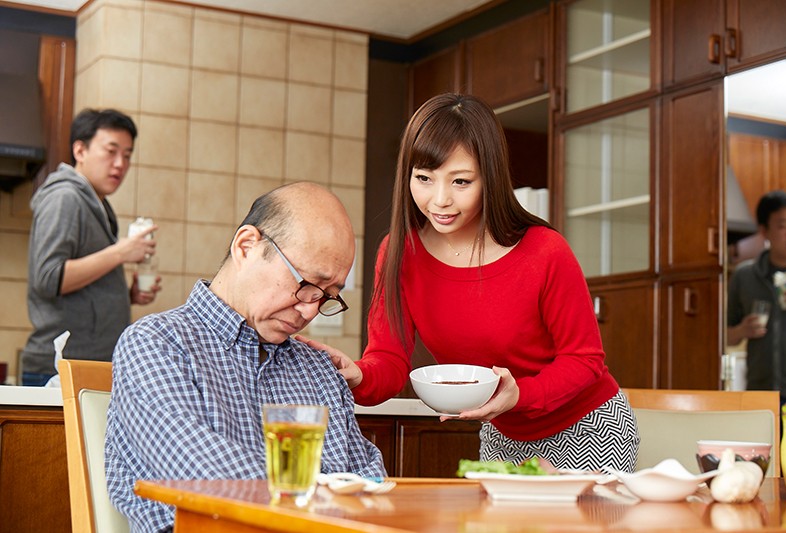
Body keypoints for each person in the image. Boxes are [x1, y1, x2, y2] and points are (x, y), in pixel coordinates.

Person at [298, 93, 639, 472]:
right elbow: (390, 360)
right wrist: (360, 373)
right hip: (501, 431)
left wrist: (519, 395)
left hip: (588, 427)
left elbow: (585, 360)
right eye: (424, 178)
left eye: (460, 181)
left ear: (489, 177)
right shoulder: (398, 253)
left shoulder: (544, 251)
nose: (439, 200)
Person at [105, 182, 386, 532]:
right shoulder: (156, 345)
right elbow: (212, 484)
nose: (310, 310)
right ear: (247, 246)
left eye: (326, 296)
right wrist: (332, 499)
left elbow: (372, 484)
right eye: (306, 284)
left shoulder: (317, 369)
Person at [21, 108, 160, 386]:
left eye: (128, 155)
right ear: (80, 150)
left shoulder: (96, 203)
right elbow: (48, 278)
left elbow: (79, 285)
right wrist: (121, 252)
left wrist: (124, 294)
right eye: (111, 151)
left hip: (88, 363)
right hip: (60, 368)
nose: (120, 163)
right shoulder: (65, 197)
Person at [727, 190, 786, 406]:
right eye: (783, 226)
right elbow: (725, 336)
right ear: (764, 231)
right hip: (760, 394)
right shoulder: (744, 275)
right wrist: (741, 331)